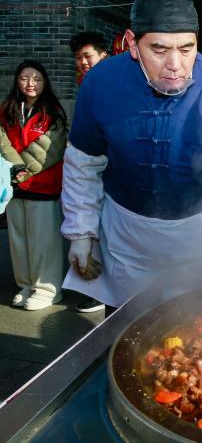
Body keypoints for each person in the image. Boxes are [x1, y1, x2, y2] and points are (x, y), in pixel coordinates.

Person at [61, 0, 202, 309]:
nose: (175, 63)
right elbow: (84, 162)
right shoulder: (100, 82)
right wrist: (82, 233)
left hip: (200, 233)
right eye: (160, 50)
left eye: (187, 48)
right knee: (128, 330)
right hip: (128, 236)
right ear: (132, 44)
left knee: (196, 328)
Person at [0, 60, 68, 310]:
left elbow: (51, 149)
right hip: (14, 185)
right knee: (19, 240)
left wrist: (21, 170)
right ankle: (26, 284)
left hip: (43, 184)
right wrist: (15, 169)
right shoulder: (7, 109)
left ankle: (48, 289)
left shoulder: (53, 111)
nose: (31, 83)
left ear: (44, 83)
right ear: (17, 81)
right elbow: (2, 140)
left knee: (44, 241)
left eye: (37, 79)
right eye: (25, 78)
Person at [69, 31, 110, 313]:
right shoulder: (84, 83)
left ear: (103, 54)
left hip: (107, 166)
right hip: (85, 163)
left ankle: (101, 292)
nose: (83, 62)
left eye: (88, 56)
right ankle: (95, 287)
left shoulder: (112, 83)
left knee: (106, 233)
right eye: (78, 58)